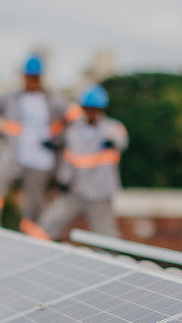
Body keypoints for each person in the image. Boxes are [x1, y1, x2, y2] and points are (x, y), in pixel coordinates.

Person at [0, 54, 82, 238]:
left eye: (35, 77)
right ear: (23, 76)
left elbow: (76, 118)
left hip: (40, 160)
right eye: (29, 76)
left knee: (34, 206)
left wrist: (58, 139)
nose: (32, 81)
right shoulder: (10, 98)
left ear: (41, 78)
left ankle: (32, 240)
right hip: (13, 154)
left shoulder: (52, 100)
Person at [37, 84, 128, 240]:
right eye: (88, 108)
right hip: (76, 190)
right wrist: (63, 181)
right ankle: (36, 248)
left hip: (100, 193)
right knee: (49, 223)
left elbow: (122, 139)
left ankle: (109, 260)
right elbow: (68, 159)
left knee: (105, 235)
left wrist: (112, 143)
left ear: (101, 109)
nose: (91, 113)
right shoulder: (74, 131)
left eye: (95, 109)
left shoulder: (112, 128)